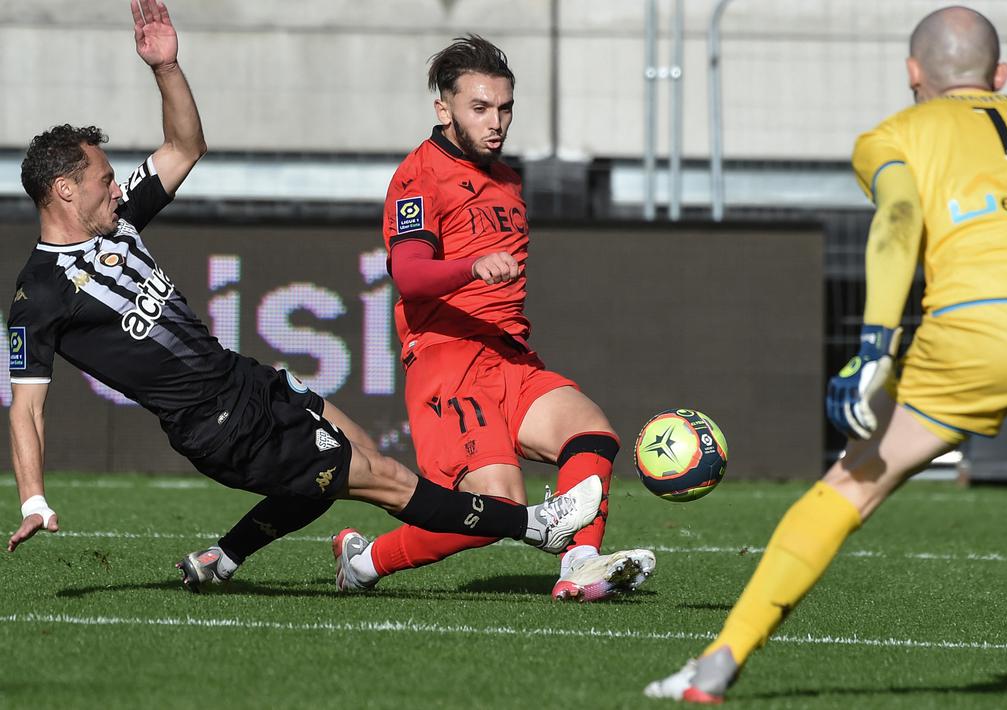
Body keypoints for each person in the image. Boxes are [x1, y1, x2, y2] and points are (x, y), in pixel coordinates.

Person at [645, 6, 1007, 707]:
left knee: (853, 482)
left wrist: (873, 345)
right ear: (999, 73)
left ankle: (717, 664)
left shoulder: (892, 135)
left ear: (912, 72)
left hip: (979, 326)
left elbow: (898, 220)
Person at [6, 0, 603, 590]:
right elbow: (26, 407)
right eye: (105, 179)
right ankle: (536, 527)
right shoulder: (39, 296)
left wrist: (166, 67)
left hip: (244, 380)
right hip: (215, 424)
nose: (117, 187)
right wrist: (33, 499)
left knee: (346, 458)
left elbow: (185, 146)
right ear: (65, 190)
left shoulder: (118, 221)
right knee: (380, 476)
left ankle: (223, 558)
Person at [328, 35, 655, 602]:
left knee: (591, 433)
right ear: (444, 109)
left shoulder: (507, 178)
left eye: (504, 108)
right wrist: (471, 266)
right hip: (447, 359)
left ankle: (579, 564)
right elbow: (410, 275)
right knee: (497, 508)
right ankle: (365, 562)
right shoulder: (419, 177)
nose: (495, 121)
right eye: (479, 108)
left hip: (509, 355)